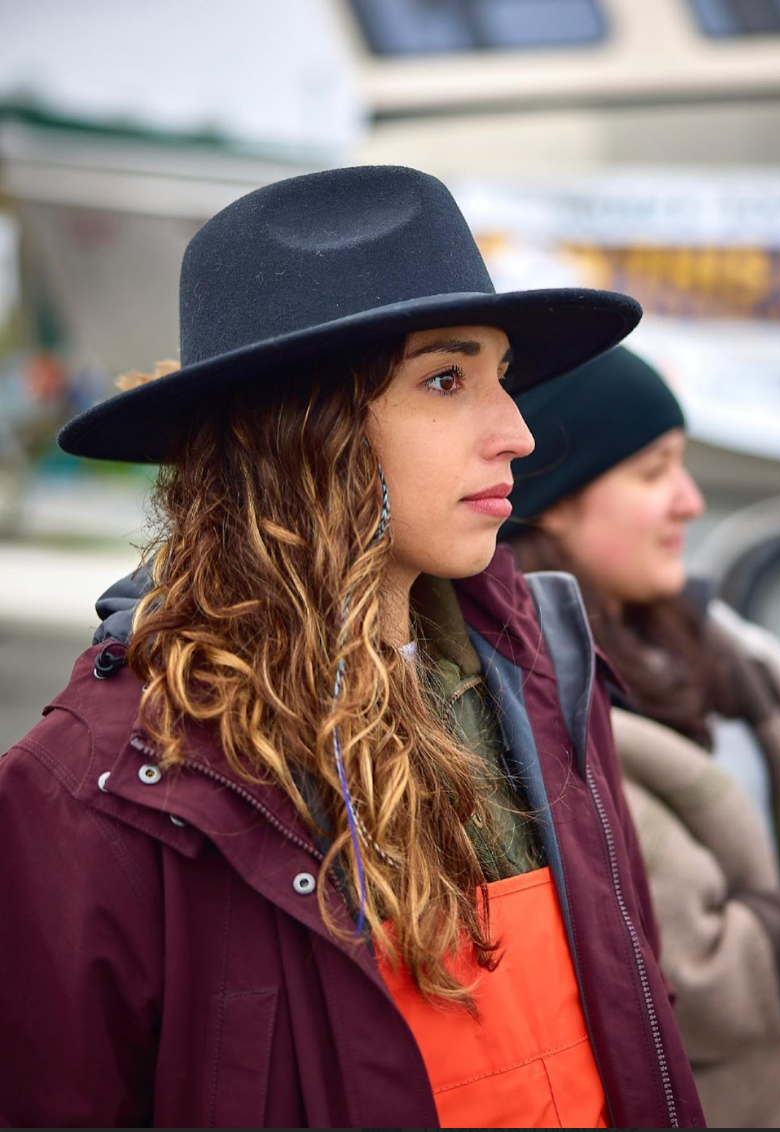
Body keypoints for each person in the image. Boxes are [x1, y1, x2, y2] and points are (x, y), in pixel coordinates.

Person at [0, 166, 705, 1128]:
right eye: (447, 380)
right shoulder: (95, 787)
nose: (519, 434)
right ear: (304, 432)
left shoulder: (547, 677)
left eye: (502, 379)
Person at [501, 344, 780, 1128]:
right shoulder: (538, 702)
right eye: (654, 472)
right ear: (552, 497)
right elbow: (686, 974)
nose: (689, 501)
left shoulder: (722, 645)